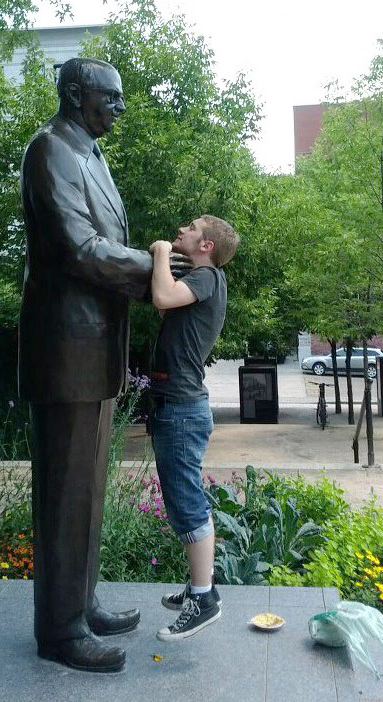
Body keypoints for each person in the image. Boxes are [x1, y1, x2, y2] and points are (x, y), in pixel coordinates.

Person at [19, 58, 188, 673]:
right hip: (64, 349)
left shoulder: (88, 152)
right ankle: (59, 631)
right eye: (108, 98)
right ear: (73, 95)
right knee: (65, 493)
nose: (119, 108)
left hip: (95, 350)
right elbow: (78, 248)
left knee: (87, 490)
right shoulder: (49, 150)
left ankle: (81, 603)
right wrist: (160, 272)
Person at [148, 215, 239, 641]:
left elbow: (162, 297)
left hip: (182, 408)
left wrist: (163, 252)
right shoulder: (203, 278)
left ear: (206, 246)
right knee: (186, 499)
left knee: (186, 503)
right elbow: (166, 295)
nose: (181, 229)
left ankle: (203, 599)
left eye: (191, 227)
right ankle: (199, 588)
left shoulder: (209, 278)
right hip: (179, 405)